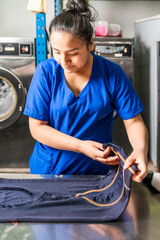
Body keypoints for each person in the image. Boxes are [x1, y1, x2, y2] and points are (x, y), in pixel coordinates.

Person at [24, 0, 148, 182]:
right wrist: (80, 146)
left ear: (90, 44)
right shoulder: (46, 72)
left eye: (72, 53)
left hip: (99, 172)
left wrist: (140, 150)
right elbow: (37, 128)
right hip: (50, 171)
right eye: (57, 51)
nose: (63, 60)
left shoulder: (111, 74)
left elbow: (134, 121)